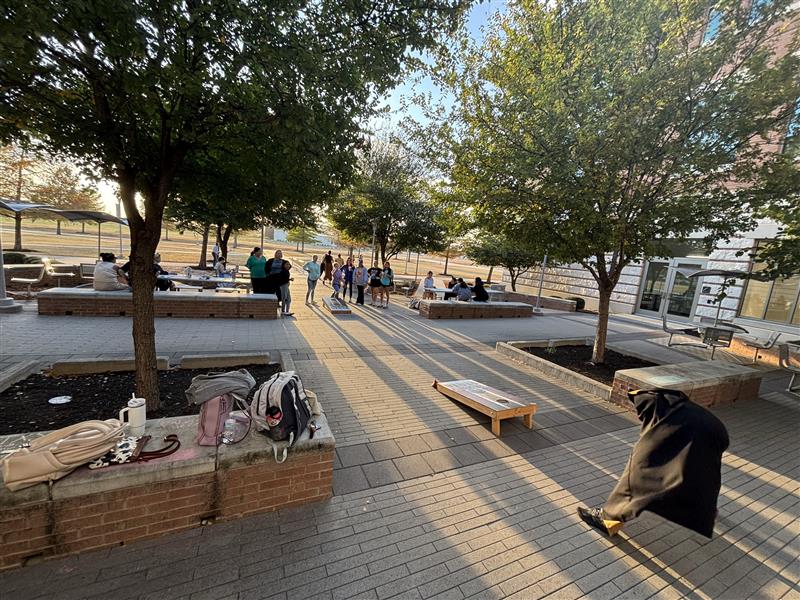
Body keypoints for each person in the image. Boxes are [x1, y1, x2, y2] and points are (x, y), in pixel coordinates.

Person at [577, 388, 729, 539]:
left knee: (635, 477)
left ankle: (608, 519)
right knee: (702, 474)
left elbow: (640, 462)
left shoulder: (661, 413)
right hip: (717, 432)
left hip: (705, 432)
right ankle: (704, 510)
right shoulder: (672, 406)